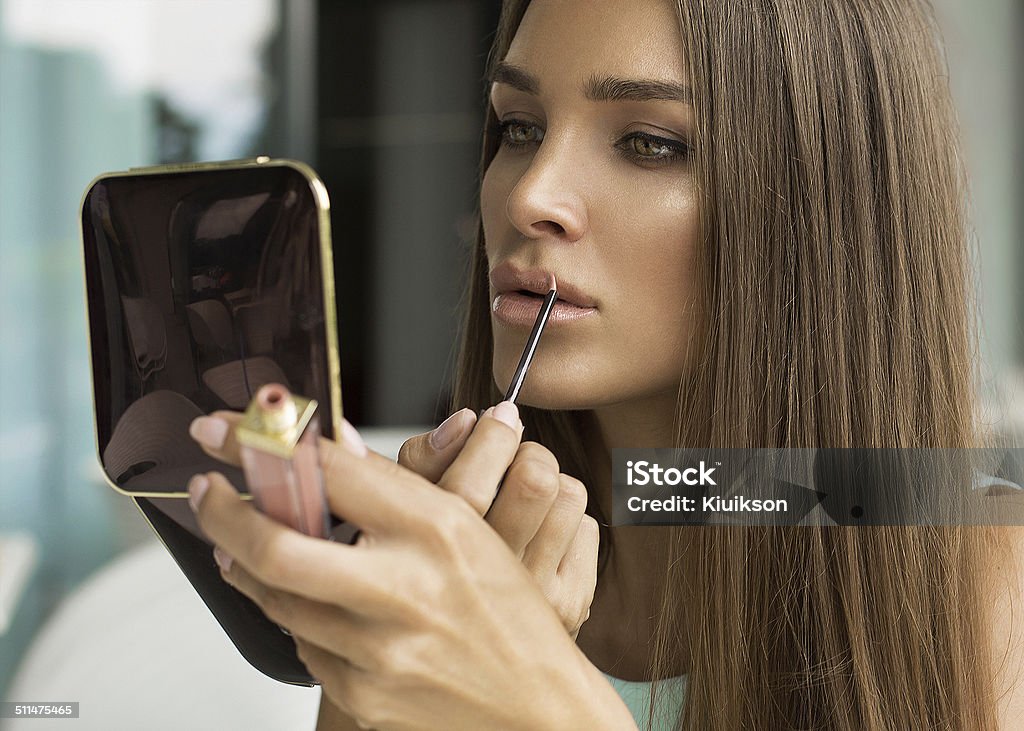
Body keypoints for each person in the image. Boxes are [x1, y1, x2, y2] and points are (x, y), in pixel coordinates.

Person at [185, 0, 1024, 728]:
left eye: (650, 144)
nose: (527, 195)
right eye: (519, 127)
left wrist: (539, 699)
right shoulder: (468, 562)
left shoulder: (989, 581)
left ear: (825, 212)